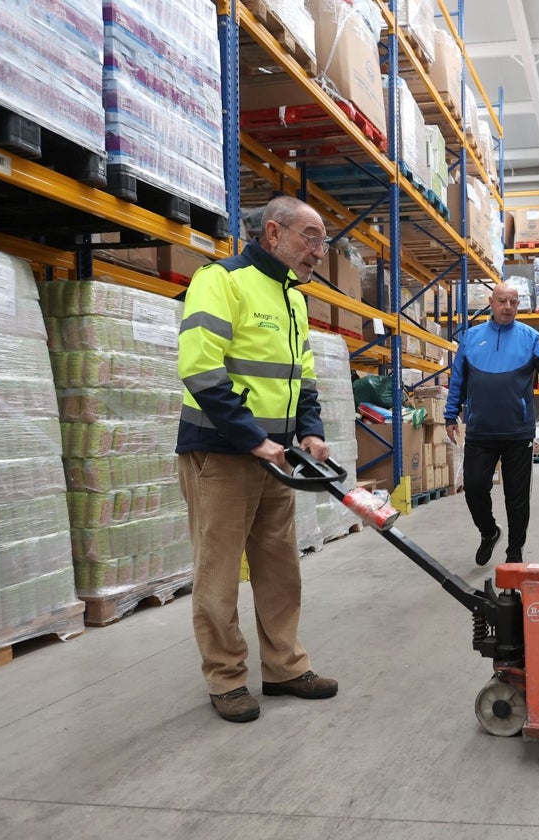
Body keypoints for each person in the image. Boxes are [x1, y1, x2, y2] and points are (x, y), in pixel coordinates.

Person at [176, 195, 338, 723]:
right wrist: (253, 439)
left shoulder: (293, 298)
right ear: (273, 234)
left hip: (279, 458)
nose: (319, 250)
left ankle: (285, 667)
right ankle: (225, 679)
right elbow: (201, 371)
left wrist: (309, 433)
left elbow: (303, 379)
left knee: (279, 568)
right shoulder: (221, 280)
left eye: (322, 240)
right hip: (223, 455)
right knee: (219, 575)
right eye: (309, 237)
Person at [444, 281, 539, 566]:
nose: (507, 307)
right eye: (502, 301)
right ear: (491, 302)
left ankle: (514, 551)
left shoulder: (531, 337)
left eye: (513, 302)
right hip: (480, 431)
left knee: (517, 497)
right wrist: (450, 414)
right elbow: (458, 378)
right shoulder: (471, 338)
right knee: (473, 487)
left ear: (518, 305)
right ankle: (489, 532)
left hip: (517, 432)